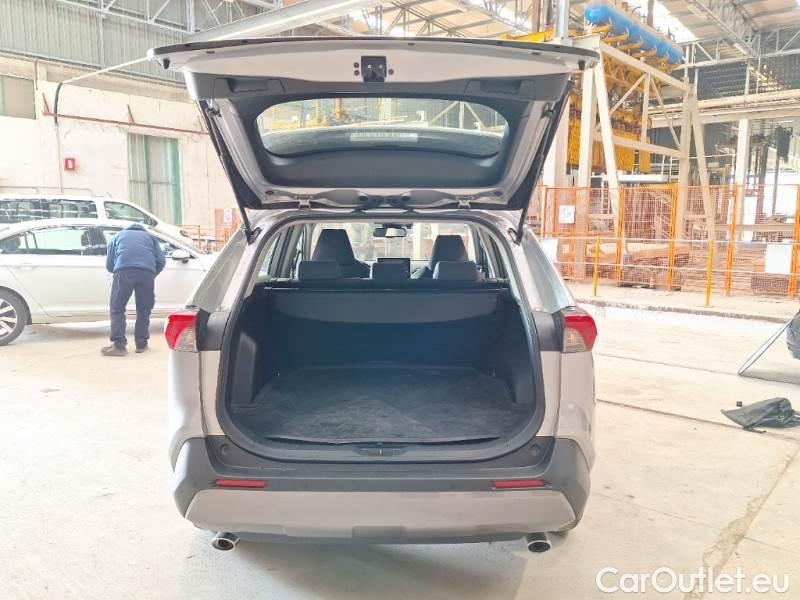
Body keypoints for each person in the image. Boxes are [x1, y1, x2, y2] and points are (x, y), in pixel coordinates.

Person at [101, 223, 165, 356]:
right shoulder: (150, 238)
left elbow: (109, 264)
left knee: (117, 308)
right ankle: (142, 344)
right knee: (144, 309)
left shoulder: (117, 236)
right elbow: (161, 261)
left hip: (123, 271)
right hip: (146, 273)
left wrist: (118, 269)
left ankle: (119, 345)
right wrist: (152, 273)